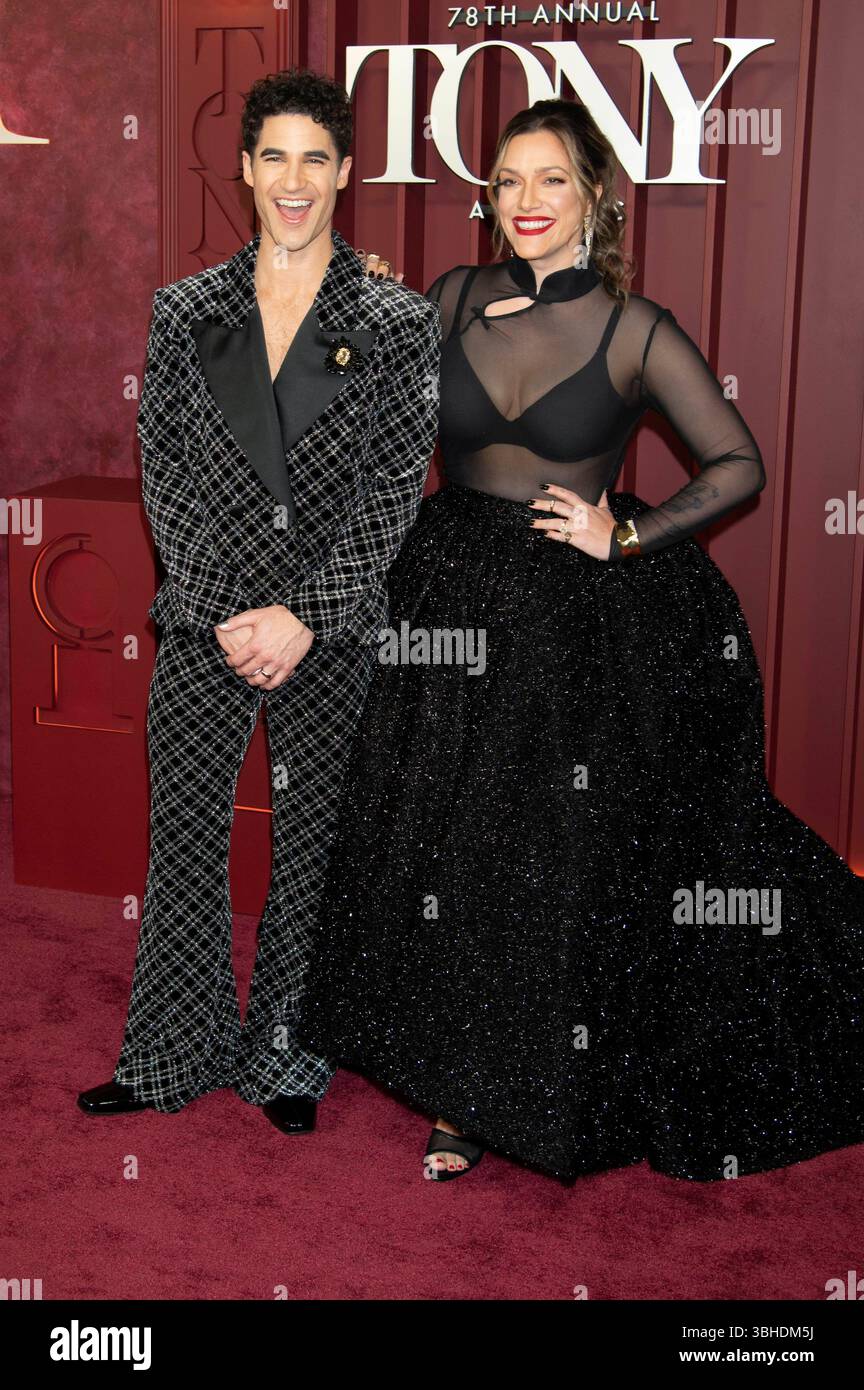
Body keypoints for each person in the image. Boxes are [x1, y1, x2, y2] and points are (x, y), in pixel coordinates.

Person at [294, 97, 864, 1182]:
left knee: (526, 855)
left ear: (594, 194)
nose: (527, 203)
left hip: (561, 621)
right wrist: (345, 303)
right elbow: (350, 387)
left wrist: (629, 533)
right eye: (507, 182)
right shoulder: (454, 298)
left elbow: (738, 463)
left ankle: (490, 1095)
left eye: (550, 179)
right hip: (442, 592)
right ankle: (444, 1066)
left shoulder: (631, 326)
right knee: (437, 841)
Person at [77, 68, 440, 1132]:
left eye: (314, 159)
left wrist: (307, 614)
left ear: (345, 173)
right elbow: (164, 470)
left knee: (310, 843)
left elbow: (394, 484)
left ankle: (287, 1056)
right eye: (273, 157)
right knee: (183, 837)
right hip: (208, 617)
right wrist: (229, 606)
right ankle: (169, 1054)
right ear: (243, 169)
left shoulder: (396, 318)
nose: (293, 180)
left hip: (326, 625)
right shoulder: (186, 311)